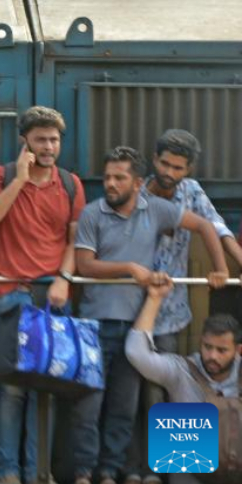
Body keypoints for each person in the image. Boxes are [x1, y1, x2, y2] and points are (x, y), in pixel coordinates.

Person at [71, 146, 229, 484]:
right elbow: (84, 265)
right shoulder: (92, 212)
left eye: (119, 178)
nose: (110, 183)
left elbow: (209, 225)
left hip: (154, 321)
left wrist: (220, 271)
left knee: (145, 402)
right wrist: (131, 269)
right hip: (98, 324)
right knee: (89, 406)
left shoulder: (175, 201)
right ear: (155, 163)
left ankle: (158, 473)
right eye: (108, 177)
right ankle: (91, 472)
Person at [0, 106, 86, 484]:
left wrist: (63, 279)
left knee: (47, 391)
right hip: (10, 296)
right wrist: (19, 180)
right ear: (25, 141)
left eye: (54, 139)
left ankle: (40, 473)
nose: (49, 146)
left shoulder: (70, 184)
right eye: (41, 139)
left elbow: (73, 242)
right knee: (11, 391)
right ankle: (8, 474)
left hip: (52, 296)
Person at [126, 279, 241, 484]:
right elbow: (137, 354)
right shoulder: (182, 369)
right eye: (207, 347)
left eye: (222, 350)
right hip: (189, 475)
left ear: (238, 350)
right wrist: (154, 298)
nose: (212, 355)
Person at [147, 129, 242, 342]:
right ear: (155, 158)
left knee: (165, 370)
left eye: (177, 168)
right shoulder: (137, 194)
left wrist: (229, 267)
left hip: (171, 307)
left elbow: (218, 227)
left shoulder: (191, 191)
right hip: (135, 302)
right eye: (165, 164)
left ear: (189, 169)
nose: (169, 172)